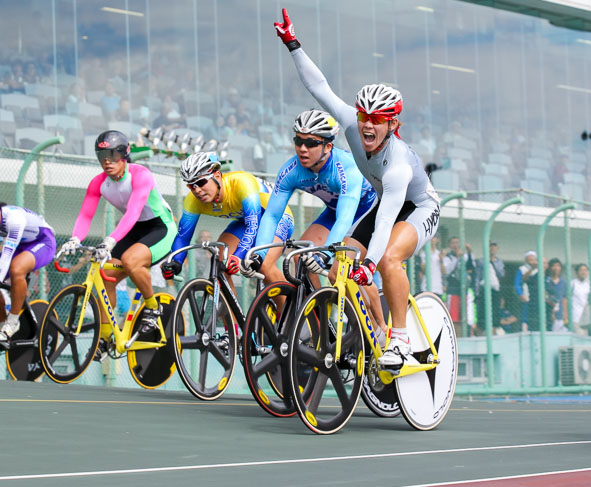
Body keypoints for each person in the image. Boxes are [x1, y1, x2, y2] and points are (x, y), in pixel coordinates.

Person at [275, 9, 441, 367]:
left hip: (419, 208)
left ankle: (398, 340)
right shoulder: (351, 122)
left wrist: (369, 263)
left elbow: (384, 225)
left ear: (392, 124)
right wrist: (292, 44)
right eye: (364, 116)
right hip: (385, 204)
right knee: (338, 267)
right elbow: (318, 86)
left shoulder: (397, 166)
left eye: (377, 120)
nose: (367, 125)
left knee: (388, 259)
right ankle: (367, 335)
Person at [58, 130, 176, 358]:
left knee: (132, 262)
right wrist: (75, 238)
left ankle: (153, 308)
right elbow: (85, 216)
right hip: (134, 230)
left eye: (112, 155)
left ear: (125, 155)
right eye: (102, 156)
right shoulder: (98, 183)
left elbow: (133, 212)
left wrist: (110, 241)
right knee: (106, 276)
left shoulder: (141, 175)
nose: (107, 161)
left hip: (160, 227)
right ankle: (104, 339)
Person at [252, 109, 376, 276]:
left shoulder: (346, 167)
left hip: (367, 213)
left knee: (340, 271)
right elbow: (272, 216)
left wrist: (325, 254)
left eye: (311, 143)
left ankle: (373, 303)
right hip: (334, 214)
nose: (303, 149)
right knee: (302, 258)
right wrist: (258, 255)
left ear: (328, 147)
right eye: (298, 141)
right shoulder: (291, 170)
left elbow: (345, 218)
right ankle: (315, 302)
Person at [160, 152, 294, 293]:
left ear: (217, 176)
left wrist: (238, 256)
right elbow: (183, 236)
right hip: (244, 222)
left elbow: (254, 225)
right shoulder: (193, 200)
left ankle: (285, 311)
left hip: (277, 217)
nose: (197, 190)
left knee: (264, 265)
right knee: (219, 263)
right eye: (191, 186)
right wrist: (175, 261)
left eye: (201, 182)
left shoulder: (241, 183)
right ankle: (232, 314)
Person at [0, 204, 56, 341]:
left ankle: (12, 322)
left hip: (43, 242)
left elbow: (7, 254)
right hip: (22, 244)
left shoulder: (14, 218)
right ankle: (2, 323)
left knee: (16, 268)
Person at [514, 250, 538, 332]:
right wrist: (521, 294)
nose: (531, 258)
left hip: (536, 297)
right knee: (525, 316)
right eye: (529, 257)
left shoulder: (538, 269)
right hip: (526, 296)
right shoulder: (522, 269)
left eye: (533, 256)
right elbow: (517, 283)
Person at [545, 258, 568, 332]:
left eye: (558, 266)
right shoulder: (546, 280)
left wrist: (565, 314)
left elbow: (564, 298)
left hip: (560, 315)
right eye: (554, 266)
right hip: (548, 314)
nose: (556, 268)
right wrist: (552, 312)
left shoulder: (563, 282)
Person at [570, 263, 591, 333]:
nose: (583, 272)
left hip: (585, 318)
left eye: (585, 270)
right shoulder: (573, 283)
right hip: (575, 317)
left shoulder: (588, 284)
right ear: (577, 272)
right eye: (581, 270)